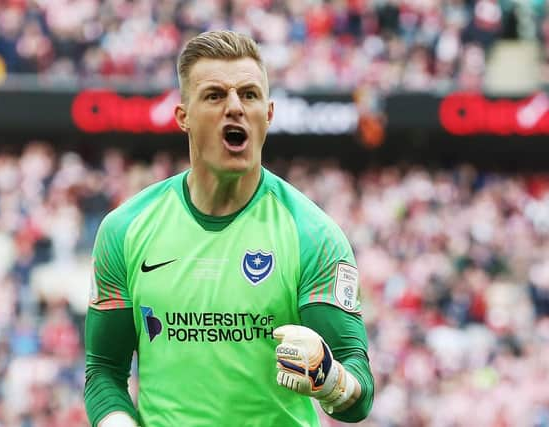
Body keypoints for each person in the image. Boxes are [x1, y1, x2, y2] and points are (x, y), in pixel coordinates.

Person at [84, 30, 374, 427]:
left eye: (249, 95)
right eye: (215, 95)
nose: (235, 107)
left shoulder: (313, 235)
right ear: (183, 116)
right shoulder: (125, 229)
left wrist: (332, 379)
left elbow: (359, 392)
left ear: (268, 114)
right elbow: (103, 372)